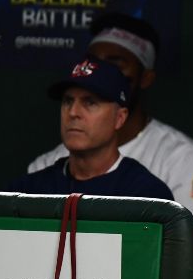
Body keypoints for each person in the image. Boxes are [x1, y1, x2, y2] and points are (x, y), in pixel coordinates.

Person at [27, 13, 193, 241]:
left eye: (115, 65)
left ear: (145, 78)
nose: (100, 74)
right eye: (93, 64)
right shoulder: (44, 170)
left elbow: (187, 257)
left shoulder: (183, 159)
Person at [9, 56, 173, 201]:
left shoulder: (147, 195)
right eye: (68, 101)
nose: (73, 113)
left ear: (119, 118)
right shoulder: (28, 192)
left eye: (90, 103)